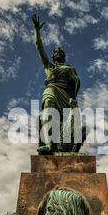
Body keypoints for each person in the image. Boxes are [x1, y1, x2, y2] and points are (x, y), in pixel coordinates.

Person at [31, 14, 84, 154]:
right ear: (54, 56)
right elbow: (39, 47)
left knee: (68, 124)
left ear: (64, 56)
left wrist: (74, 99)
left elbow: (76, 83)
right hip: (51, 90)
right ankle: (50, 145)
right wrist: (37, 31)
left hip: (66, 96)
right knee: (48, 110)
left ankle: (64, 146)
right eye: (56, 52)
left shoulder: (69, 69)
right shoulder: (48, 67)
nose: (58, 53)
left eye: (60, 52)